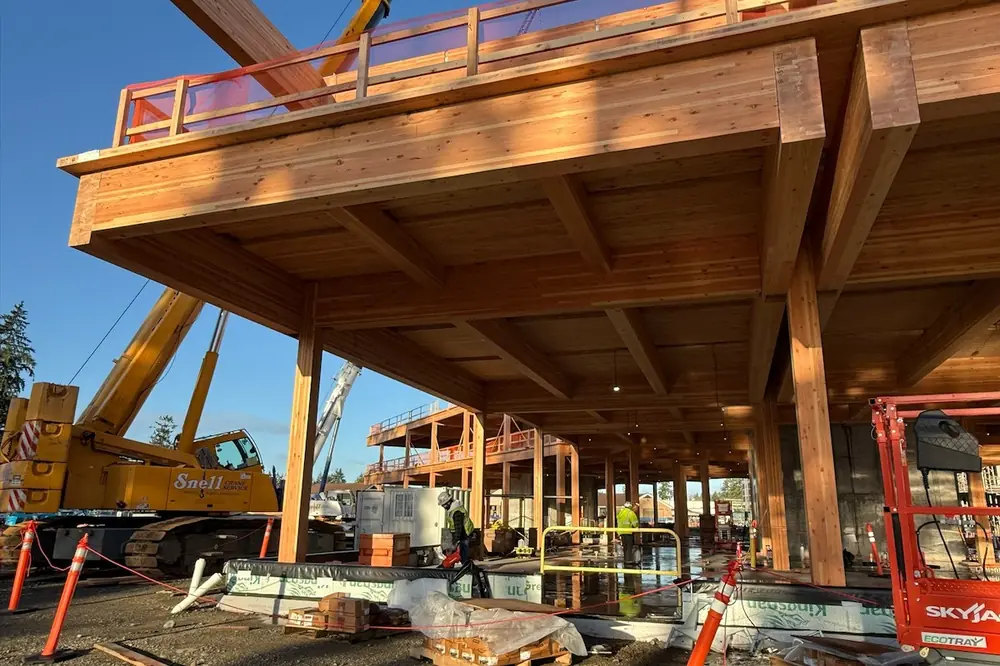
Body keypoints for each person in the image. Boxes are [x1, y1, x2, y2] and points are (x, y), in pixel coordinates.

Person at [439, 491, 475, 565]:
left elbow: (458, 527)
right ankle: (465, 566)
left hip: (464, 534)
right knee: (461, 553)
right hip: (461, 534)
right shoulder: (453, 510)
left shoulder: (457, 512)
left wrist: (456, 540)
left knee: (463, 554)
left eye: (444, 505)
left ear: (448, 502)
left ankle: (466, 568)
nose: (443, 507)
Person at [616, 500, 640, 565]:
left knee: (625, 546)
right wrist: (637, 526)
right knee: (629, 546)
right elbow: (635, 523)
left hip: (621, 532)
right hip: (628, 532)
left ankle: (625, 559)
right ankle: (629, 560)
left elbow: (618, 520)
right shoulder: (630, 513)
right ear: (630, 507)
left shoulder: (620, 512)